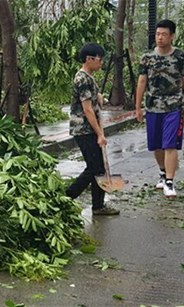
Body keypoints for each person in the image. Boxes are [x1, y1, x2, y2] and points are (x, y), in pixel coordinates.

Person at [135, 19, 184, 198]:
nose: (160, 38)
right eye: (157, 34)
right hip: (153, 107)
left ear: (172, 36)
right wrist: (137, 107)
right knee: (156, 145)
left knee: (170, 144)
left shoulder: (181, 57)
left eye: (164, 34)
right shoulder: (147, 58)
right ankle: (162, 173)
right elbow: (142, 81)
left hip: (174, 107)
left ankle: (169, 181)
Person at [65, 43, 120, 215]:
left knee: (99, 168)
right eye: (99, 59)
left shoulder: (89, 77)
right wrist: (100, 134)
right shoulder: (82, 79)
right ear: (89, 59)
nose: (101, 62)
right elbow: (87, 109)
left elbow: (93, 102)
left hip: (89, 128)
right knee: (94, 168)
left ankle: (98, 206)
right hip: (84, 129)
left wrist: (100, 98)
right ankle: (66, 197)